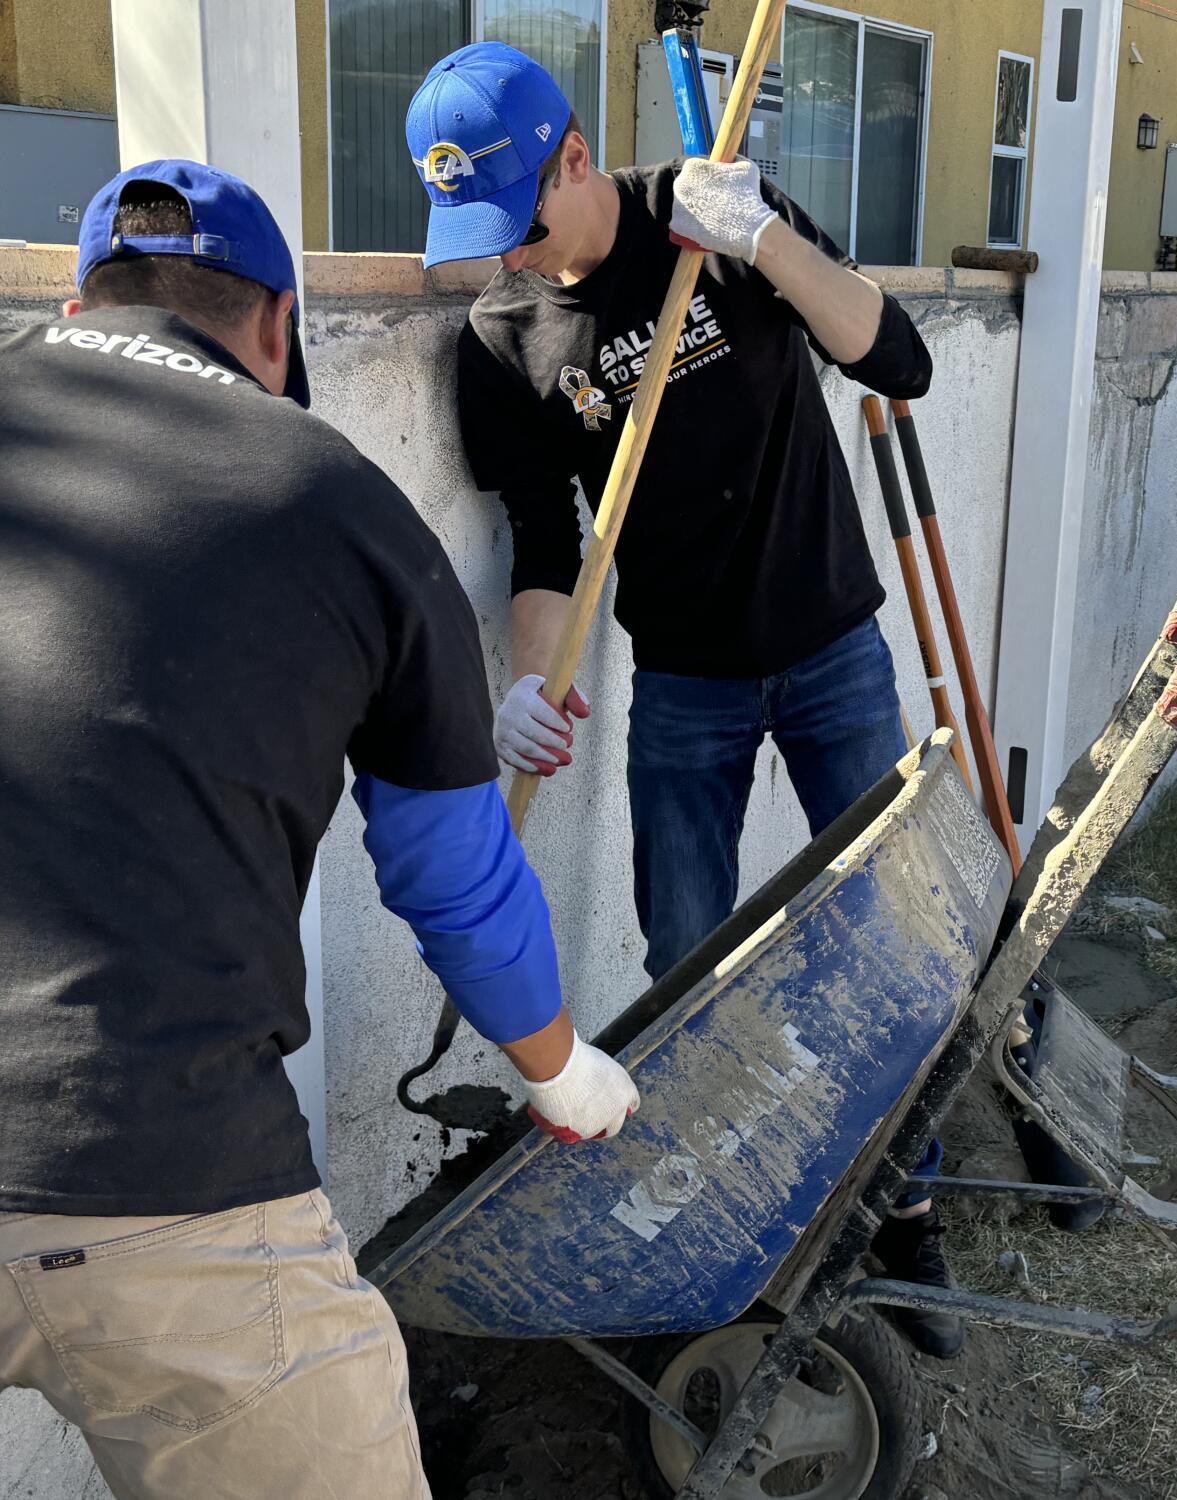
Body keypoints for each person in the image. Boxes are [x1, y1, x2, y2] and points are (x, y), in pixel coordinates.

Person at [0, 161, 639, 1500]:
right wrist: (559, 1070)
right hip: (165, 1177)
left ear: (75, 303)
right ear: (280, 328)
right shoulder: (340, 506)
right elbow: (450, 873)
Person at [405, 43, 961, 1358]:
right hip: (686, 685)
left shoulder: (709, 208)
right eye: (487, 239)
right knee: (687, 967)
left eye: (525, 222)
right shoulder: (502, 342)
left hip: (831, 646)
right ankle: (710, 1225)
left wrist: (766, 240)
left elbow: (900, 363)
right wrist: (528, 687)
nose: (517, 258)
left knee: (889, 936)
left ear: (579, 158)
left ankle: (910, 1205)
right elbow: (546, 547)